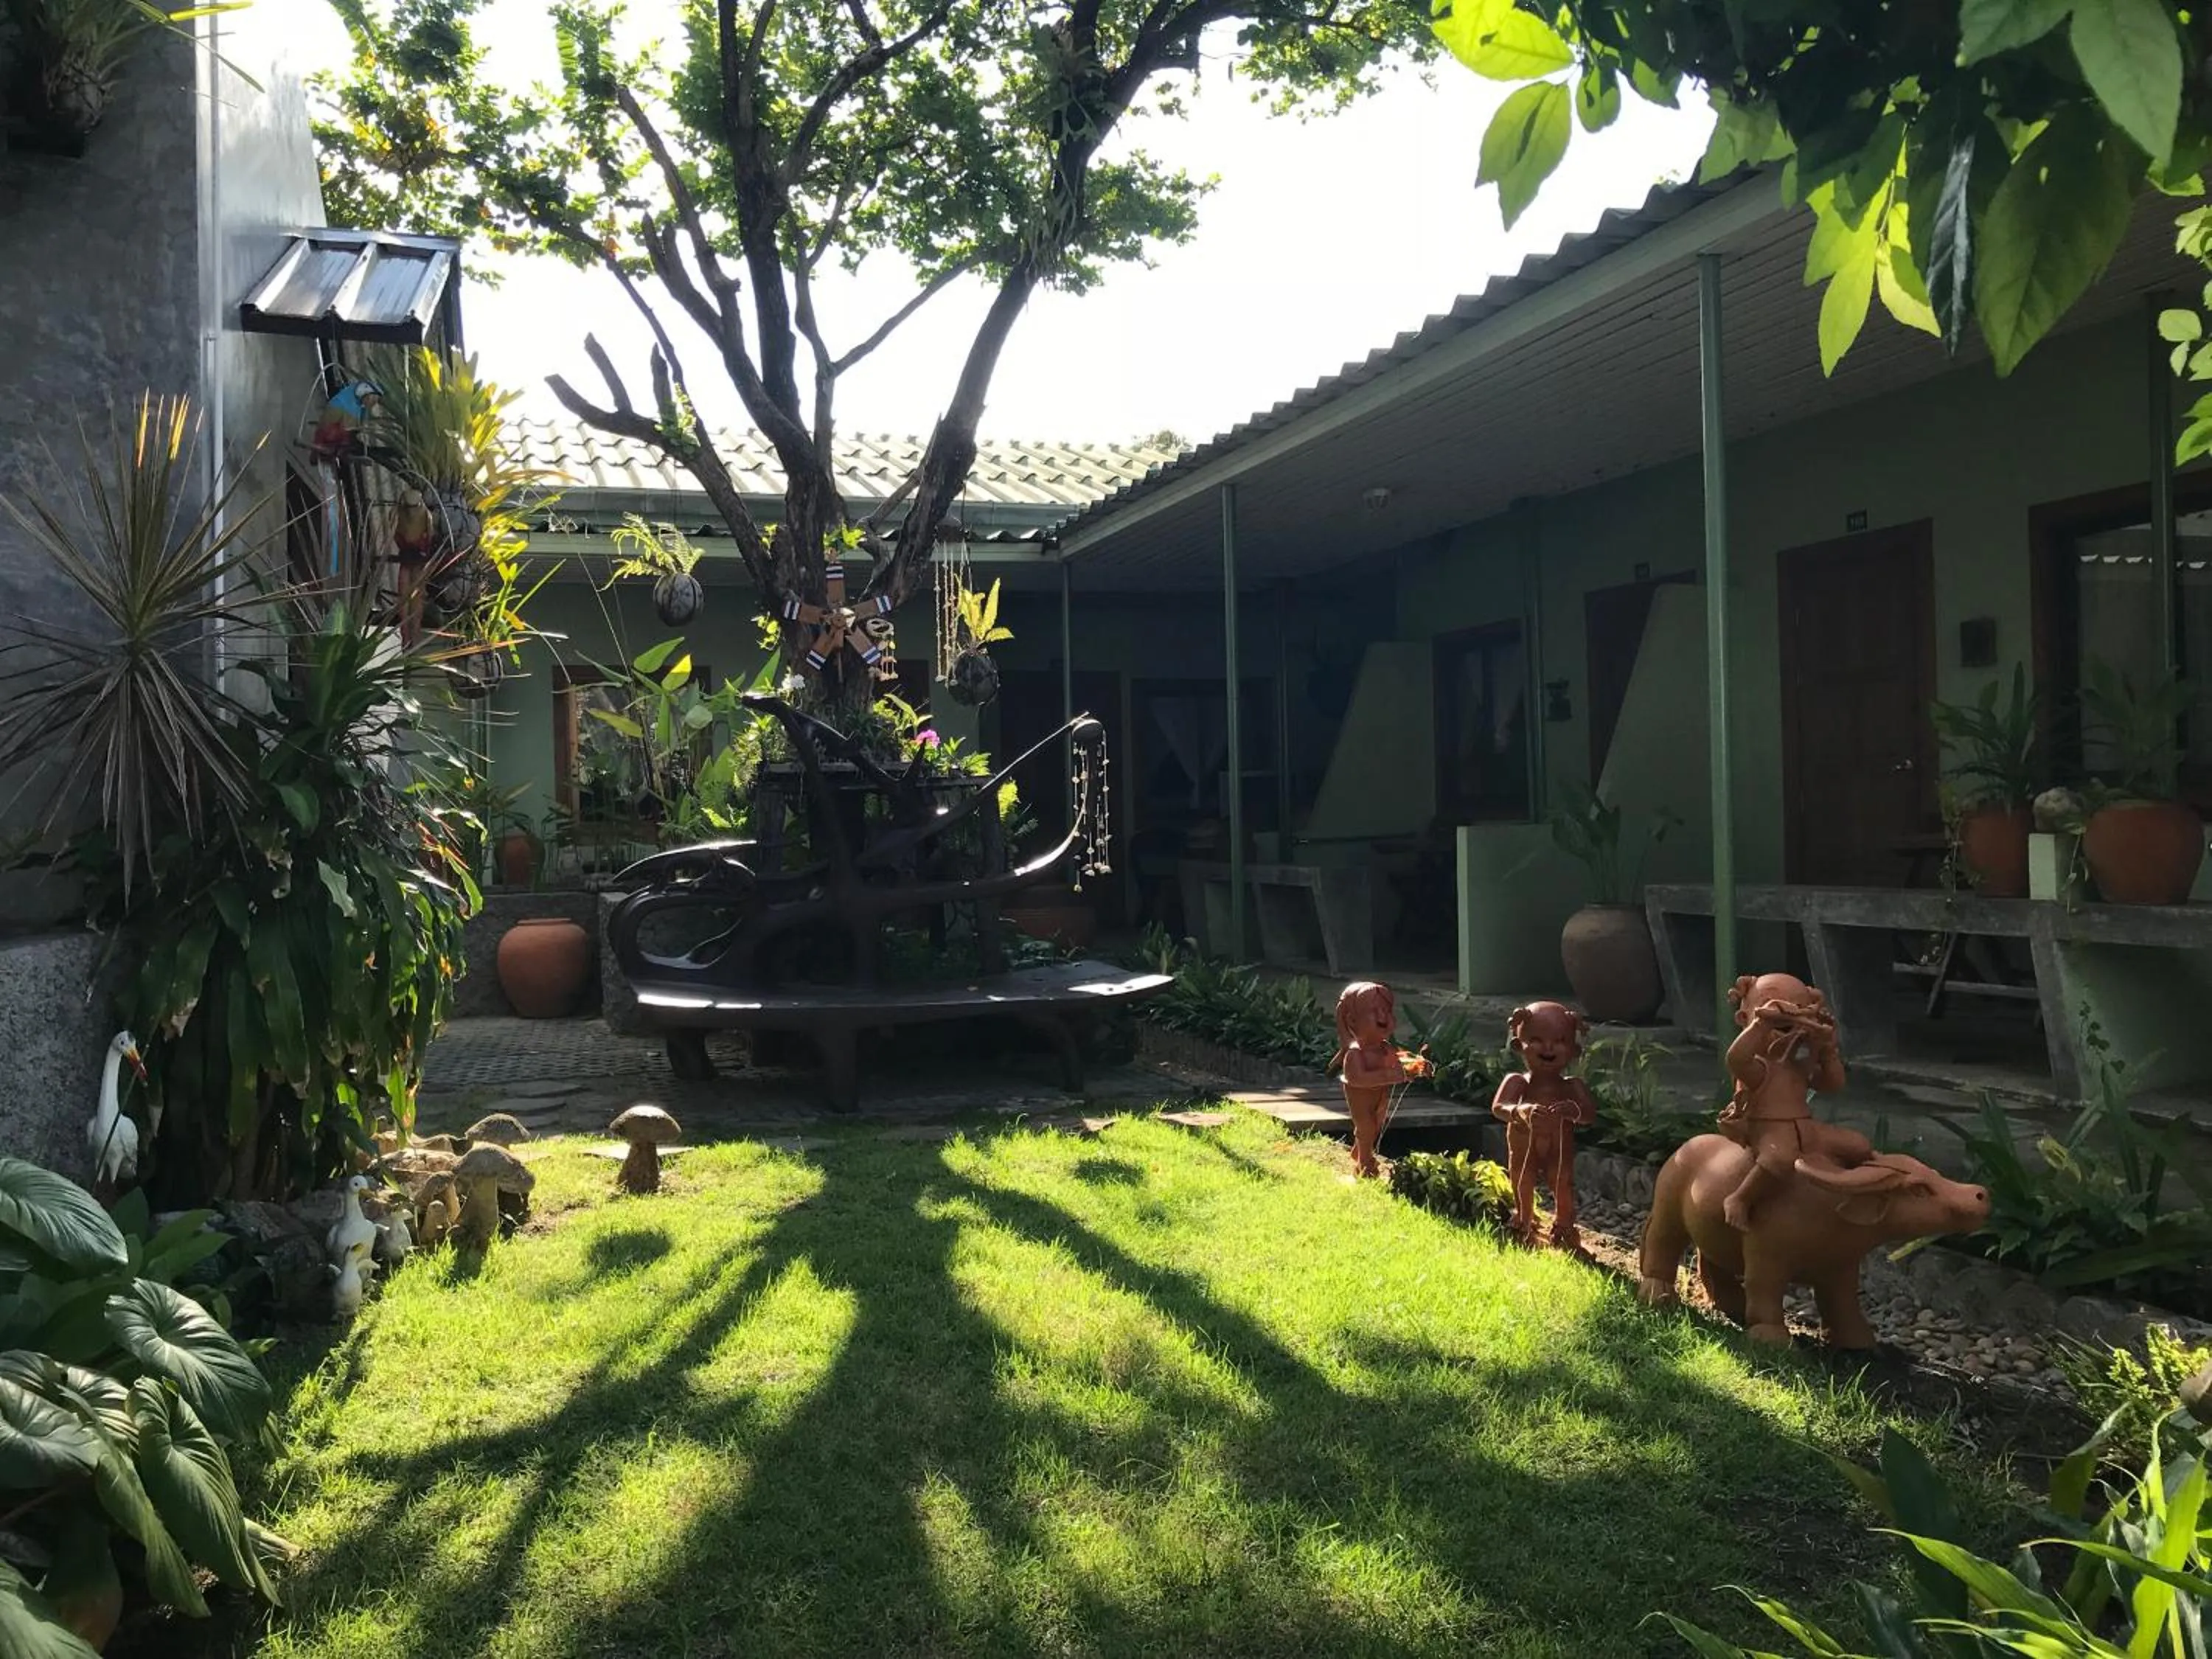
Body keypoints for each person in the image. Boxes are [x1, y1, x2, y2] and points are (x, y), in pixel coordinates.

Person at [1716, 972, 1868, 1230]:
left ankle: (1858, 1197)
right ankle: (1740, 1199)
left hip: (1804, 1128)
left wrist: (1827, 1049)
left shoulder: (1796, 1062)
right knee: (1781, 1159)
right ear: (1744, 1019)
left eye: (1797, 1009)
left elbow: (1832, 1084)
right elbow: (1736, 1059)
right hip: (1767, 1129)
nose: (1785, 1016)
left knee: (1859, 1146)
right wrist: (1763, 1024)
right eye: (1773, 1006)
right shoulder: (1757, 1067)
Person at [1491, 1001, 1598, 1251]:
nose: (1548, 1048)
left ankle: (1564, 1226)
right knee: (1523, 1180)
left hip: (1557, 1146)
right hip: (1524, 1141)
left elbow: (1589, 1115)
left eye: (1560, 1041)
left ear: (1573, 1050)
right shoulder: (1518, 1081)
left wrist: (1574, 1111)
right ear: (1519, 1046)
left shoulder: (1572, 1086)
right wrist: (1520, 1111)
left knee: (1562, 1181)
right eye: (1537, 1040)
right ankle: (1524, 1221)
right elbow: (1499, 1107)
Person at [1331, 981, 1427, 1178]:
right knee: (1365, 1126)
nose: (1384, 1017)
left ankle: (1359, 1151)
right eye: (1375, 1012)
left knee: (1375, 1126)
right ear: (1352, 1020)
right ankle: (1364, 1165)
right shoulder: (1355, 1054)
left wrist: (1416, 1067)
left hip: (1380, 1096)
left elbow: (1399, 1065)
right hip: (1360, 1096)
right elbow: (1358, 1079)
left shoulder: (1386, 1048)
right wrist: (1392, 1075)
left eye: (1387, 1011)